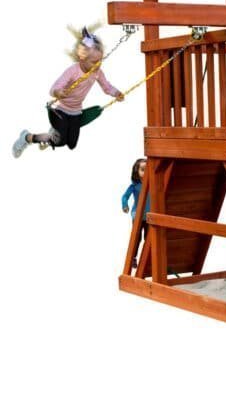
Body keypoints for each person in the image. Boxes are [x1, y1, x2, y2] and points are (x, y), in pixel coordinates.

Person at [12, 27, 124, 157]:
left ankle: (53, 135)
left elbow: (107, 86)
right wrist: (58, 93)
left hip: (76, 111)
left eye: (100, 61)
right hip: (59, 109)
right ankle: (27, 137)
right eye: (94, 62)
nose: (98, 65)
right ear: (82, 58)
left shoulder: (97, 72)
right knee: (60, 141)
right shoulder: (73, 71)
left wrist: (116, 93)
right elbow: (53, 89)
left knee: (71, 144)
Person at [122, 158, 150, 268]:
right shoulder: (134, 186)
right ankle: (133, 257)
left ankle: (146, 258)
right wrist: (125, 205)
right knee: (137, 238)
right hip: (137, 215)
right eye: (143, 169)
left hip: (149, 216)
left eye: (147, 169)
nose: (145, 172)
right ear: (136, 172)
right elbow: (125, 196)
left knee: (148, 238)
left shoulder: (152, 184)